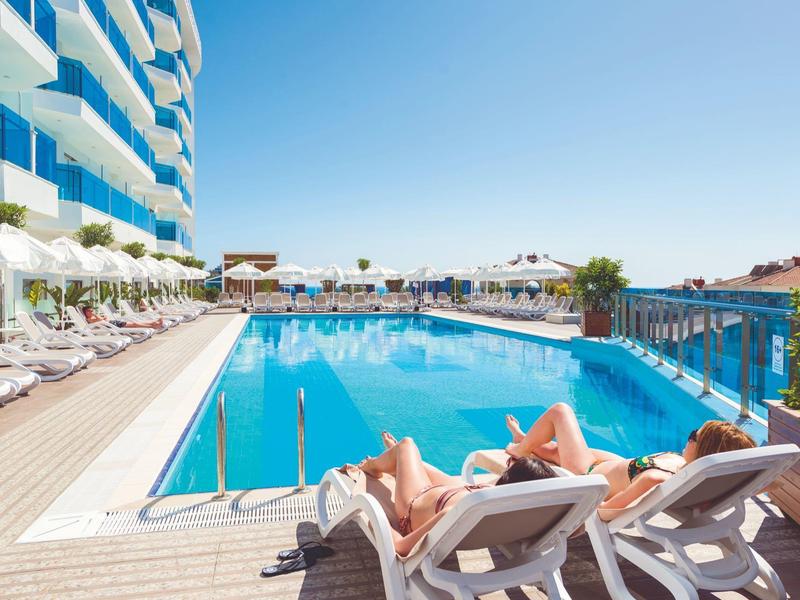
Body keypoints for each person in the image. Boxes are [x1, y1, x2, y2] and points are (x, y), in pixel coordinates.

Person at [504, 403, 755, 511]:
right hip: (615, 467)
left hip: (588, 475)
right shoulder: (694, 476)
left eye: (693, 436)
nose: (688, 437)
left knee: (560, 412)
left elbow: (603, 510)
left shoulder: (656, 478)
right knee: (559, 448)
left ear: (705, 451)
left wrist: (577, 507)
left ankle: (520, 448)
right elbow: (770, 483)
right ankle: (524, 438)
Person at [357, 432, 556, 556]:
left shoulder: (456, 512)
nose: (506, 467)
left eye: (508, 468)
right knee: (420, 464)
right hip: (453, 494)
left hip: (415, 501)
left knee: (407, 444)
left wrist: (378, 518)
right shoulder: (517, 508)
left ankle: (375, 465)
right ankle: (400, 463)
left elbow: (401, 547)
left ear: (508, 480)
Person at [80, 305, 163, 330]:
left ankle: (154, 322)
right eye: (89, 311)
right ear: (85, 312)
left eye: (91, 310)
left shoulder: (93, 318)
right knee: (134, 324)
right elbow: (102, 319)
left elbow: (104, 318)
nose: (91, 311)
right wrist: (97, 315)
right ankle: (153, 325)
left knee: (135, 323)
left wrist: (103, 318)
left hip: (112, 323)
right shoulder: (89, 319)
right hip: (112, 325)